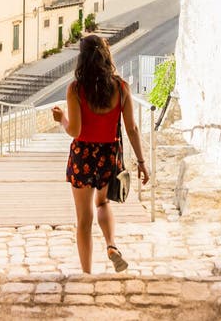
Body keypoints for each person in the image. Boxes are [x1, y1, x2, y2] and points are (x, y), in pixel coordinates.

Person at [52, 34, 150, 274]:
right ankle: (111, 245)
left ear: (82, 59)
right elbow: (131, 128)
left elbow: (74, 130)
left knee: (83, 220)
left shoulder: (76, 89)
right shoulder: (121, 87)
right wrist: (141, 161)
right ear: (106, 56)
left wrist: (61, 118)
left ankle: (87, 273)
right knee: (103, 202)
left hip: (82, 156)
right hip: (108, 155)